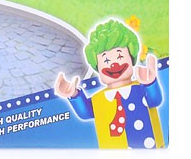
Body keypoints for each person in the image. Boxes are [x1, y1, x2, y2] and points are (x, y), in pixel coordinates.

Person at [54, 19, 164, 148]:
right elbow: (85, 113)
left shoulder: (139, 89)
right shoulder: (99, 99)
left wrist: (150, 83)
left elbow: (155, 100)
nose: (113, 64)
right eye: (106, 60)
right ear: (97, 67)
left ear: (132, 58)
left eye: (120, 56)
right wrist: (74, 94)